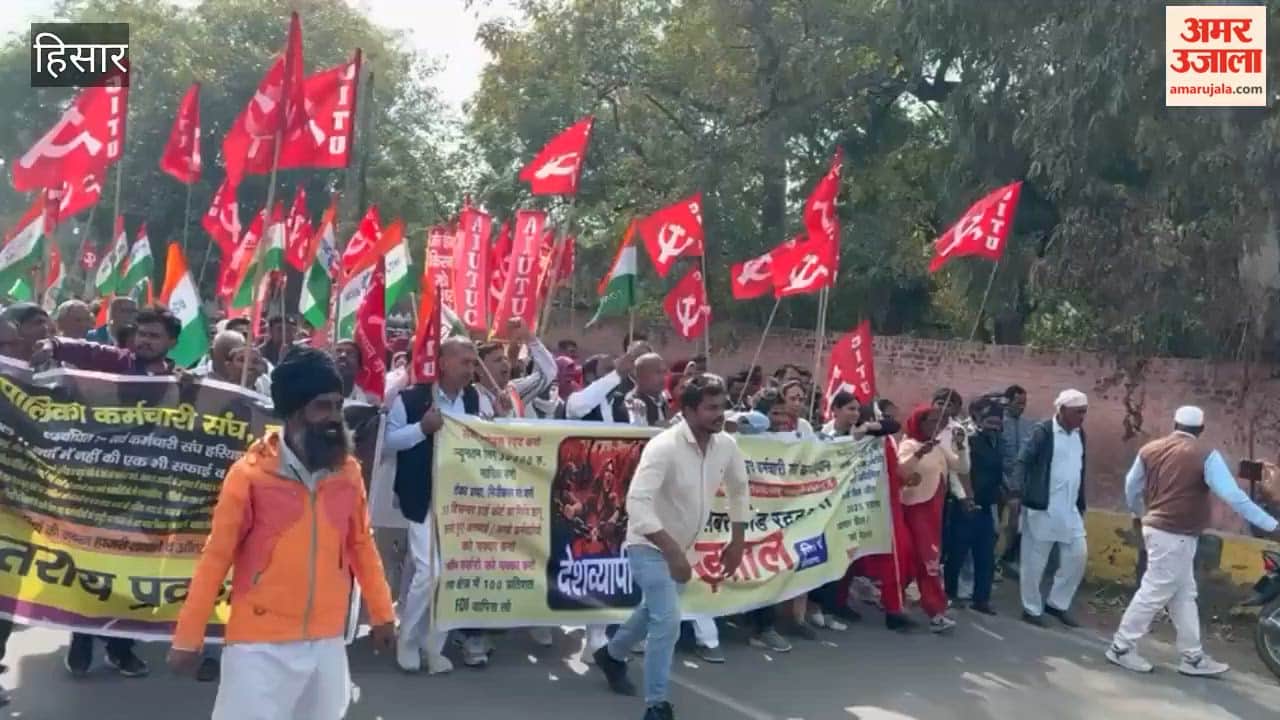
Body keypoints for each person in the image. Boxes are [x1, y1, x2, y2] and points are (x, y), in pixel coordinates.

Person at [167, 346, 396, 719]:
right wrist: (188, 637)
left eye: (338, 405)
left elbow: (361, 544)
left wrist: (383, 613)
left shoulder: (347, 472)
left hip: (325, 641)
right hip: (258, 645)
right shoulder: (250, 476)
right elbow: (216, 557)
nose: (335, 417)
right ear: (294, 411)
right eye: (323, 406)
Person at [31, 307, 187, 678]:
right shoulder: (117, 361)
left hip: (148, 490)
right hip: (100, 484)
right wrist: (51, 344)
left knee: (131, 568)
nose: (146, 341)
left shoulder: (179, 380)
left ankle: (121, 647)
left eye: (155, 336)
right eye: (142, 334)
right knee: (89, 564)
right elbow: (78, 350)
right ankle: (82, 638)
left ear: (171, 343)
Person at [593, 374, 751, 720]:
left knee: (652, 611)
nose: (719, 414)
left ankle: (612, 654)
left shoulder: (726, 445)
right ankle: (657, 704)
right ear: (689, 410)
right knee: (667, 620)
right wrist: (671, 550)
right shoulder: (663, 446)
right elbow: (637, 503)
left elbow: (739, 491)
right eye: (710, 408)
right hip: (648, 544)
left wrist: (737, 541)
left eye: (722, 406)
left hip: (684, 548)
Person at [1106, 406, 1280, 676]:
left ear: (1175, 424)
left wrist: (1138, 513)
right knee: (1154, 592)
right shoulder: (1204, 455)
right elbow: (1233, 496)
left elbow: (1131, 486)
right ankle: (1120, 647)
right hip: (1175, 534)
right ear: (1201, 430)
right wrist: (1271, 525)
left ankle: (1192, 657)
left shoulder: (1149, 450)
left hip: (1160, 529)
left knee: (1184, 594)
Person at [382, 336, 493, 672]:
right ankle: (408, 641)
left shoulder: (473, 398)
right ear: (442, 362)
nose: (470, 369)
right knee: (430, 572)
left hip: (459, 499)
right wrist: (422, 429)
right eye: (465, 362)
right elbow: (388, 442)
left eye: (473, 363)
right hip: (422, 497)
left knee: (452, 575)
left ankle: (434, 646)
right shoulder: (412, 398)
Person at [1015, 389, 1089, 628]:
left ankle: (1057, 604)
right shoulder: (1044, 431)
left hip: (1070, 508)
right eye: (1078, 412)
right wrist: (1018, 493)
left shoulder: (1080, 435)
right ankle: (1031, 608)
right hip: (1042, 507)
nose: (1082, 417)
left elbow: (1080, 470)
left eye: (1084, 412)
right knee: (1035, 561)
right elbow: (1023, 460)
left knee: (1077, 556)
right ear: (1063, 410)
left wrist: (1081, 502)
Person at [896, 404, 968, 633]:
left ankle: (897, 602)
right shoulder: (909, 445)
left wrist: (961, 445)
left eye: (941, 422)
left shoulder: (938, 448)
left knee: (923, 561)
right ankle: (935, 612)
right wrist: (919, 453)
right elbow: (901, 472)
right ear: (920, 422)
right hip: (915, 510)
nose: (938, 426)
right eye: (932, 421)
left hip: (934, 511)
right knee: (926, 562)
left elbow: (962, 467)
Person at [944, 397, 1004, 615]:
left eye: (998, 424)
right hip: (967, 505)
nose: (994, 428)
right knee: (958, 553)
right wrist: (964, 498)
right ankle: (949, 594)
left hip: (987, 506)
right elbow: (959, 471)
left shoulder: (997, 442)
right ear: (980, 420)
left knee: (985, 556)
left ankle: (981, 599)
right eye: (990, 423)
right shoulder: (968, 440)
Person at [475, 318, 556, 419]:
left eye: (505, 358)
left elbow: (549, 372)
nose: (505, 363)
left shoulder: (514, 390)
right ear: (479, 369)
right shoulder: (471, 396)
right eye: (498, 360)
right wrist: (497, 415)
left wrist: (528, 337)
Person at [1000, 385, 1033, 578]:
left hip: (1019, 485)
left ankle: (1007, 558)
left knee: (1015, 525)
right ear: (1008, 402)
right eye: (1018, 403)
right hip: (999, 482)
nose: (1022, 407)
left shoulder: (1028, 426)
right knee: (995, 527)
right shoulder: (999, 423)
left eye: (1024, 403)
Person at [333, 340, 378, 404]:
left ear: (359, 367)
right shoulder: (315, 393)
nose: (343, 355)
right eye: (338, 351)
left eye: (350, 352)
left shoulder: (368, 403)